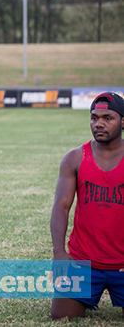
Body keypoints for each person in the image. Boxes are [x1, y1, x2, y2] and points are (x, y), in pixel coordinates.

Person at [50, 91, 124, 320]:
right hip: (83, 262)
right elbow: (61, 207)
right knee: (61, 318)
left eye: (107, 118)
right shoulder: (75, 158)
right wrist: (59, 252)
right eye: (94, 117)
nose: (99, 123)